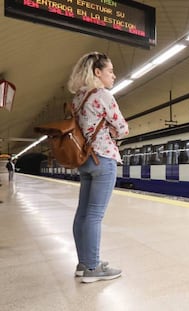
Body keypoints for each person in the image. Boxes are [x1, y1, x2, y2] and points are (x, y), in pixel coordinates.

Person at [67, 51, 129, 283]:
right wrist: (114, 130)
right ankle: (93, 269)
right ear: (97, 72)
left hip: (85, 161)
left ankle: (84, 263)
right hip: (103, 159)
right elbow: (122, 128)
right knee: (94, 215)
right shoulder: (102, 95)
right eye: (110, 71)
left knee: (83, 213)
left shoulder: (78, 98)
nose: (113, 75)